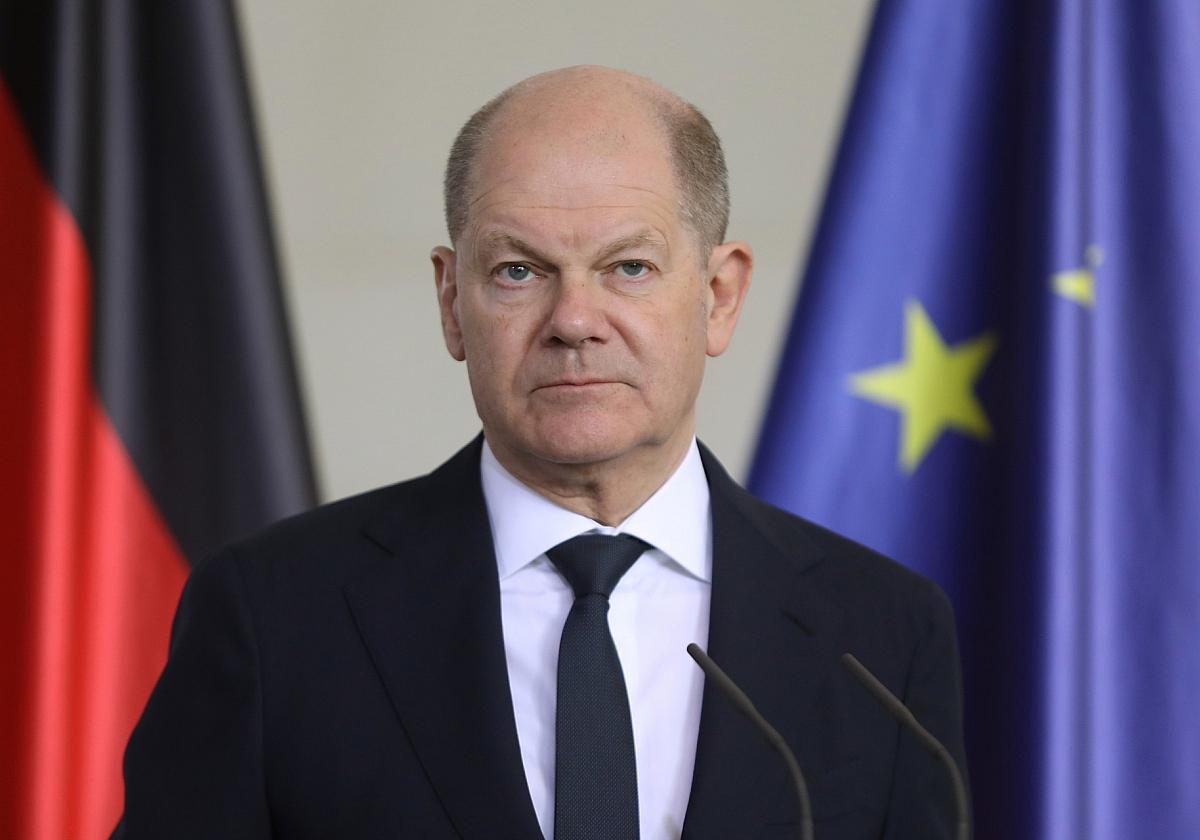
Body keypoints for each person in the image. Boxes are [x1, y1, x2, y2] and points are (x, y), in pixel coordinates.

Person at [114, 66, 968, 839]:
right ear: (451, 301)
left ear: (719, 295)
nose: (574, 320)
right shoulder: (274, 613)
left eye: (628, 267)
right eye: (518, 271)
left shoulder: (882, 635)